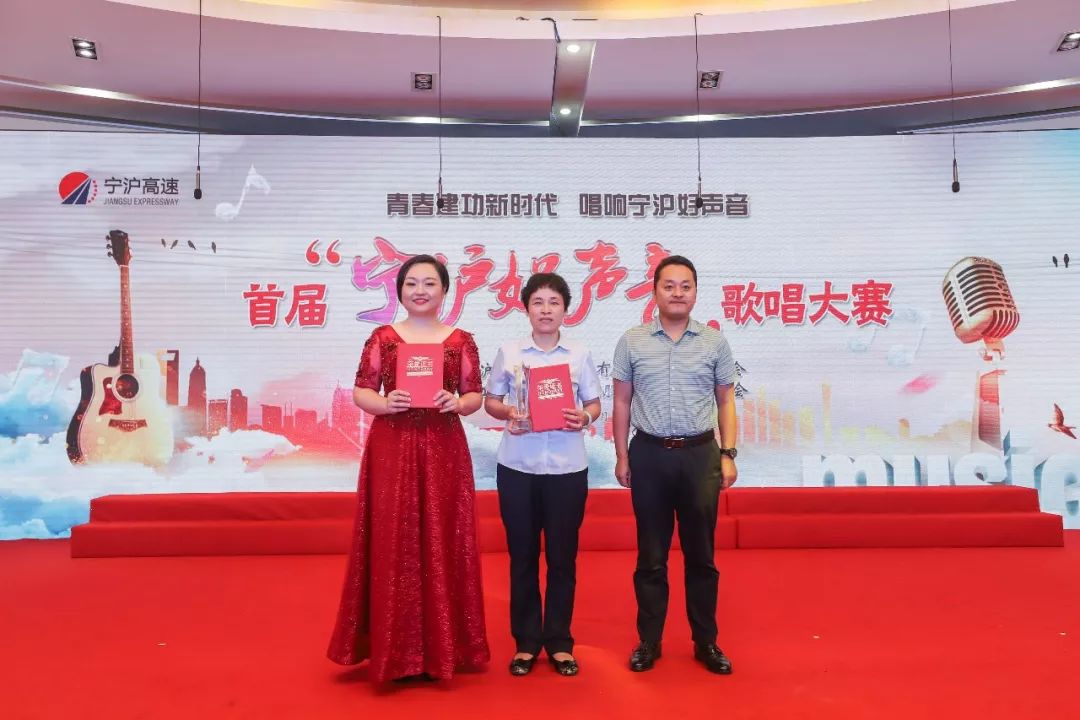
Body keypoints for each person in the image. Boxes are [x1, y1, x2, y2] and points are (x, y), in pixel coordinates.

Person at [327, 254, 490, 682]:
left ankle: (444, 647)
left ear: (444, 290)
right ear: (399, 290)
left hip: (443, 447)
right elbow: (362, 390)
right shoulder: (383, 337)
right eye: (412, 283)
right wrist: (385, 403)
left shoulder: (460, 340)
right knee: (391, 536)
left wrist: (457, 402)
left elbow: (474, 395)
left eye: (430, 283)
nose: (420, 290)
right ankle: (392, 649)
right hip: (392, 445)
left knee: (444, 534)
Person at [611, 254, 739, 675]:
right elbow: (622, 402)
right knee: (651, 555)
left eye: (686, 286)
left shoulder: (714, 342)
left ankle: (706, 641)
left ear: (696, 293)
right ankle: (649, 641)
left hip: (700, 455)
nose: (677, 293)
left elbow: (726, 401)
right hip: (649, 455)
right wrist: (622, 456)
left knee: (702, 555)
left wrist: (728, 453)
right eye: (669, 286)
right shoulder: (632, 341)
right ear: (655, 292)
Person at [484, 272, 602, 677]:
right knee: (522, 556)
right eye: (538, 302)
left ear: (566, 310)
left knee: (562, 557)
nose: (546, 310)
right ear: (526, 309)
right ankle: (526, 642)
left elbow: (594, 403)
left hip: (567, 468)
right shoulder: (510, 352)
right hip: (518, 466)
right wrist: (508, 412)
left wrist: (584, 417)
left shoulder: (579, 354)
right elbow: (491, 400)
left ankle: (560, 642)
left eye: (554, 302)